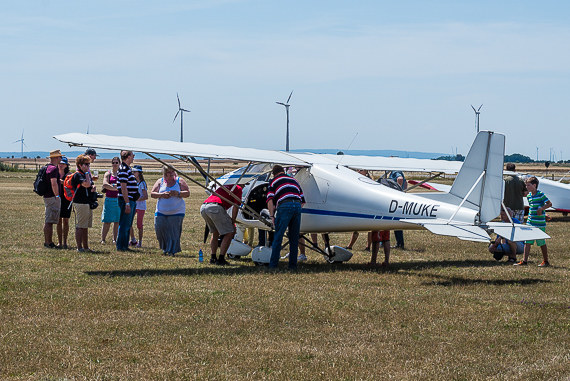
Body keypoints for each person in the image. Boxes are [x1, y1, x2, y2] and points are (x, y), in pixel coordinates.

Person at [267, 165, 305, 270]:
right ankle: (293, 266)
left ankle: (273, 265)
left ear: (274, 173)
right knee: (294, 237)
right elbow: (303, 201)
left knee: (278, 237)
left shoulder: (273, 181)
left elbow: (270, 200)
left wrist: (271, 215)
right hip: (297, 205)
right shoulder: (294, 180)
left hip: (284, 205)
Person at [151, 166, 189, 256]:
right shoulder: (160, 181)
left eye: (173, 171)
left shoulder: (180, 181)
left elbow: (187, 193)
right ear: (165, 173)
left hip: (177, 212)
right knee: (160, 229)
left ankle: (172, 251)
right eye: (169, 172)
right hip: (161, 211)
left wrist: (178, 193)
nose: (171, 173)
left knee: (173, 232)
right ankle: (165, 248)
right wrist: (161, 195)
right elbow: (152, 194)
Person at [200, 183, 242, 265]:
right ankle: (221, 258)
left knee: (215, 232)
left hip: (204, 207)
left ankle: (213, 257)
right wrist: (233, 221)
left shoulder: (224, 185)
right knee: (230, 232)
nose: (244, 186)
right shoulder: (238, 188)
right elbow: (236, 206)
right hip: (215, 207)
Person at [515, 176, 552, 267]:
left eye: (528, 185)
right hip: (530, 222)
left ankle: (546, 261)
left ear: (534, 185)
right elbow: (532, 208)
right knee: (527, 242)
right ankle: (524, 261)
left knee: (541, 243)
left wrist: (542, 209)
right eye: (526, 185)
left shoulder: (540, 194)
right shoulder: (529, 196)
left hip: (539, 223)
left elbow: (549, 204)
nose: (526, 187)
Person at [71, 154, 95, 252]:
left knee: (85, 226)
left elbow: (90, 185)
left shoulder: (86, 174)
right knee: (80, 226)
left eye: (89, 164)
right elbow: (87, 184)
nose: (88, 166)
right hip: (80, 202)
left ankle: (85, 247)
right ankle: (79, 247)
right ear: (80, 165)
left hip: (87, 202)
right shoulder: (78, 175)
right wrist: (87, 177)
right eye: (86, 164)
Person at [116, 150, 139, 251]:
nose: (133, 157)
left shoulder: (127, 168)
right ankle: (121, 246)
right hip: (127, 200)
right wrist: (127, 203)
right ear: (128, 156)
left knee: (127, 224)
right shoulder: (123, 169)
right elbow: (123, 187)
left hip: (130, 199)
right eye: (132, 155)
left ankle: (124, 245)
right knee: (124, 224)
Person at [43, 150, 62, 248]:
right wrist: (57, 195)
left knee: (48, 219)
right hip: (52, 196)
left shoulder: (47, 167)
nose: (61, 159)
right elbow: (53, 183)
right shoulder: (54, 169)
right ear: (56, 158)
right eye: (60, 157)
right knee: (49, 221)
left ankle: (48, 241)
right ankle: (48, 242)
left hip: (47, 196)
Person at [100, 157, 121, 244]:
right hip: (109, 199)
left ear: (119, 163)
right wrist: (116, 188)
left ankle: (115, 239)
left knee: (117, 221)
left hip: (118, 200)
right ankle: (103, 239)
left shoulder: (121, 174)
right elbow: (105, 184)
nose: (115, 164)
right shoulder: (108, 174)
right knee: (107, 221)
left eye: (116, 162)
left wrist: (111, 187)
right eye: (113, 162)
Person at [130, 165, 148, 248]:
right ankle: (133, 239)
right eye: (133, 171)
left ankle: (140, 242)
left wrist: (136, 199)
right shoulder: (133, 182)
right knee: (129, 222)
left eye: (135, 172)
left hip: (140, 206)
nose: (133, 173)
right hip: (134, 205)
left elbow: (145, 196)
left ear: (139, 173)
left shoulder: (142, 183)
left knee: (139, 224)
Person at [56, 156, 71, 249]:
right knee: (58, 221)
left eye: (63, 164)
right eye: (60, 163)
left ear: (66, 165)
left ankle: (65, 241)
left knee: (65, 220)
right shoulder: (55, 174)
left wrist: (63, 183)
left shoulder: (69, 175)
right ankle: (59, 242)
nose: (61, 165)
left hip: (66, 199)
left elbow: (72, 186)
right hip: (57, 198)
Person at [390, 170, 407, 249]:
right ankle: (399, 243)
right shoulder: (396, 171)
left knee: (396, 221)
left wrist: (398, 191)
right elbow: (405, 183)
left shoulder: (395, 171)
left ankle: (400, 243)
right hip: (397, 199)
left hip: (395, 200)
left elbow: (400, 179)